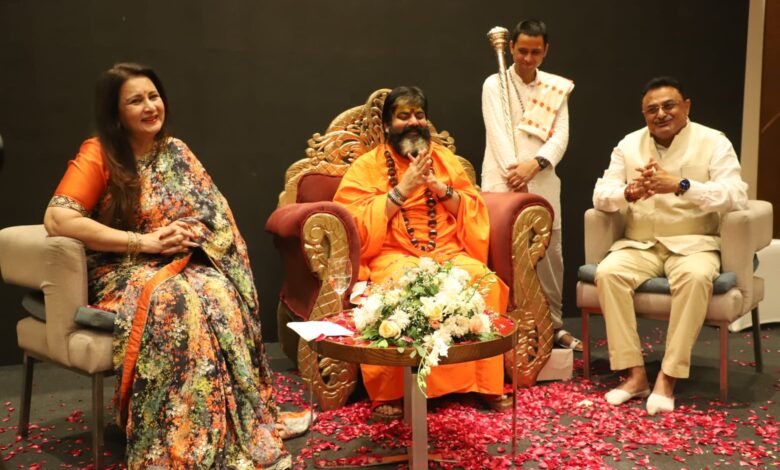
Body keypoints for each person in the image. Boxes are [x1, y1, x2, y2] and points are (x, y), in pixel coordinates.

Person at [44, 63, 305, 469]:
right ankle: (177, 436)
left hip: (178, 260)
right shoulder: (100, 153)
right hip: (119, 267)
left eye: (154, 96)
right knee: (176, 302)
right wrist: (143, 241)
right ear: (116, 113)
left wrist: (186, 235)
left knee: (219, 292)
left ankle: (231, 424)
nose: (150, 107)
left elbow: (213, 216)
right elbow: (57, 219)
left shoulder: (176, 152)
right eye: (135, 100)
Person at [333, 86, 511, 419]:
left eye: (419, 115)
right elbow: (353, 222)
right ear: (387, 125)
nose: (413, 122)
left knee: (482, 279)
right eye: (404, 116)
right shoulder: (367, 166)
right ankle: (392, 391)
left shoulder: (443, 160)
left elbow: (472, 207)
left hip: (445, 250)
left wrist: (437, 186)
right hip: (392, 252)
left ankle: (485, 384)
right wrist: (403, 189)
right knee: (399, 285)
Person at [592, 76, 748, 414]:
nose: (660, 114)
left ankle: (668, 377)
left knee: (695, 277)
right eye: (652, 109)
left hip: (694, 242)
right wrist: (628, 192)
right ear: (644, 114)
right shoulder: (628, 144)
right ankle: (635, 375)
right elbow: (601, 195)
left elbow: (736, 195)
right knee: (608, 273)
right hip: (640, 243)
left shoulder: (713, 141)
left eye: (668, 106)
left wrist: (682, 185)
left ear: (686, 107)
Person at [481, 19, 579, 351]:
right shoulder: (494, 84)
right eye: (522, 50)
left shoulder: (555, 87)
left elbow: (561, 135)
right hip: (502, 182)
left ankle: (554, 326)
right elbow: (498, 133)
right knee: (504, 255)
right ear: (510, 48)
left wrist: (534, 165)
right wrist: (516, 174)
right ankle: (505, 326)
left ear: (545, 51)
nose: (527, 58)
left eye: (535, 52)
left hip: (544, 181)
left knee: (550, 256)